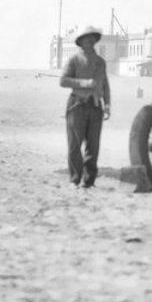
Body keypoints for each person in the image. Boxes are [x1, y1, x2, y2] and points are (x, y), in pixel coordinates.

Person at [60, 26, 110, 188]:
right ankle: (75, 179)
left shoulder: (101, 62)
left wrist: (107, 104)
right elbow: (63, 80)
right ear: (80, 42)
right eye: (85, 38)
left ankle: (89, 181)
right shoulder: (74, 60)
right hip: (77, 105)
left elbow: (105, 84)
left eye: (92, 38)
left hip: (95, 106)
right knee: (74, 144)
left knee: (93, 145)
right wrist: (84, 83)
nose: (89, 41)